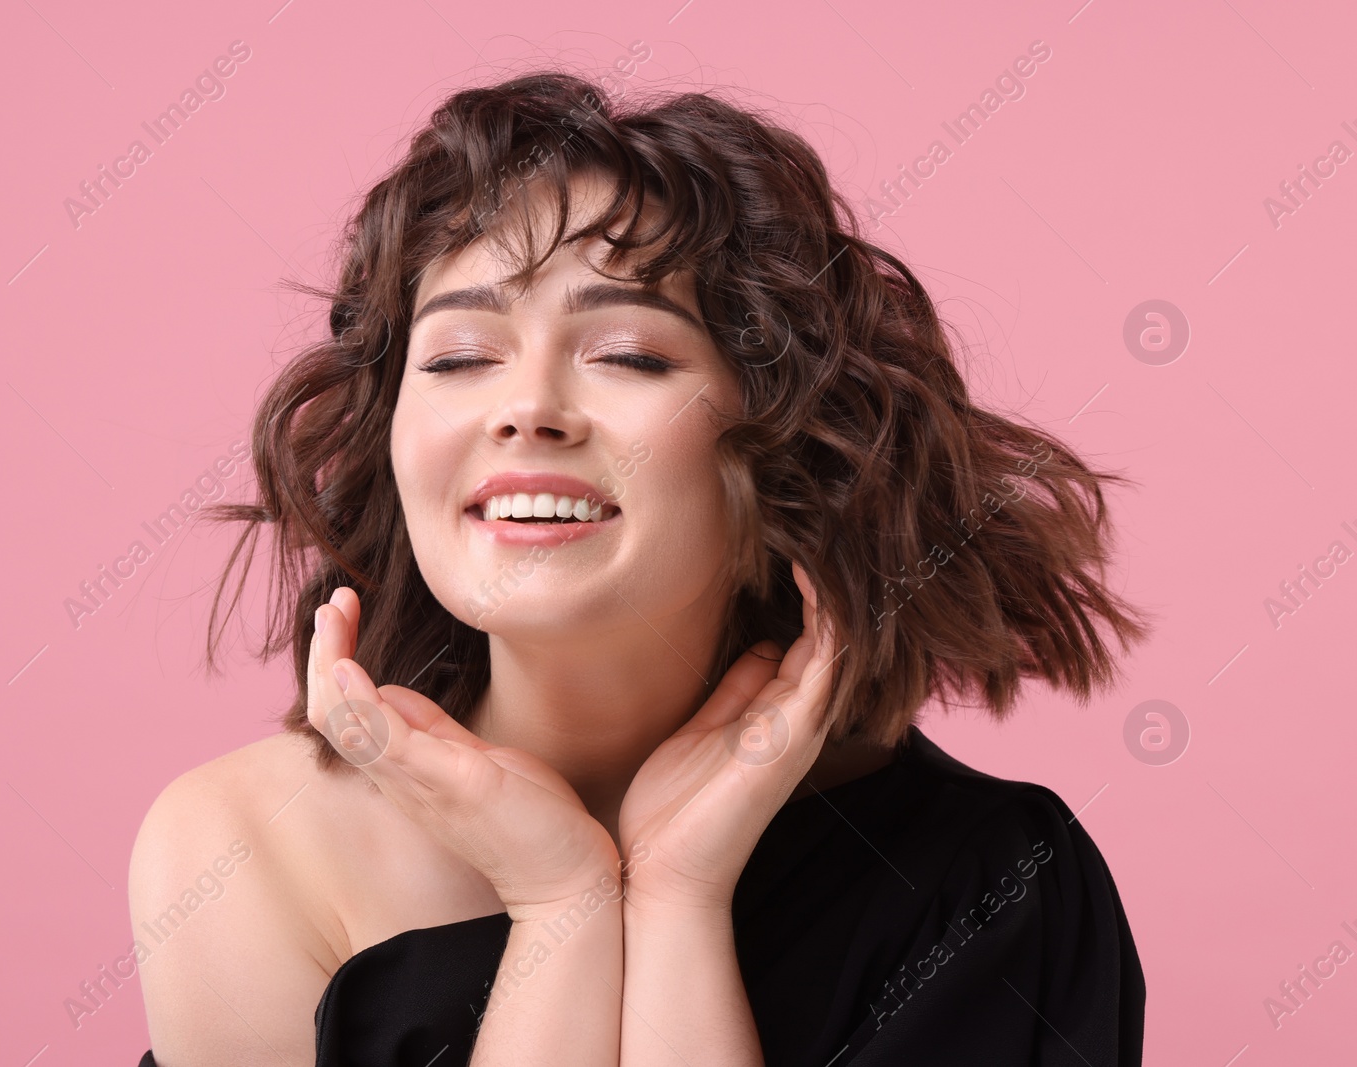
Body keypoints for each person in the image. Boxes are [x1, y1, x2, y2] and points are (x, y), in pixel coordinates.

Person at [129, 69, 1153, 1066]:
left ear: (786, 442)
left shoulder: (987, 881)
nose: (525, 406)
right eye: (456, 357)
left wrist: (676, 899)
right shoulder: (240, 849)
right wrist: (562, 900)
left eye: (627, 352)